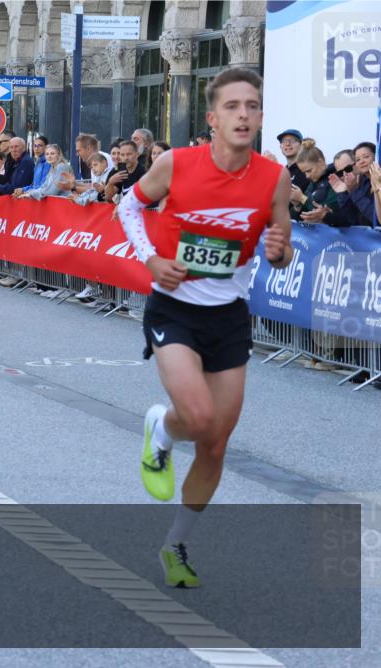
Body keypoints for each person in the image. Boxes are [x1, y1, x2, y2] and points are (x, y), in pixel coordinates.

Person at [117, 68, 292, 589]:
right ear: (212, 118)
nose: (244, 114)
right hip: (174, 307)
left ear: (260, 117)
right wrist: (150, 259)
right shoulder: (176, 163)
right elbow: (128, 206)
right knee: (195, 415)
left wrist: (281, 254)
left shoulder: (273, 177)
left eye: (253, 106)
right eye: (234, 106)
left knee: (216, 441)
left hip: (229, 315)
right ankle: (161, 430)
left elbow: (280, 246)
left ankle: (176, 544)